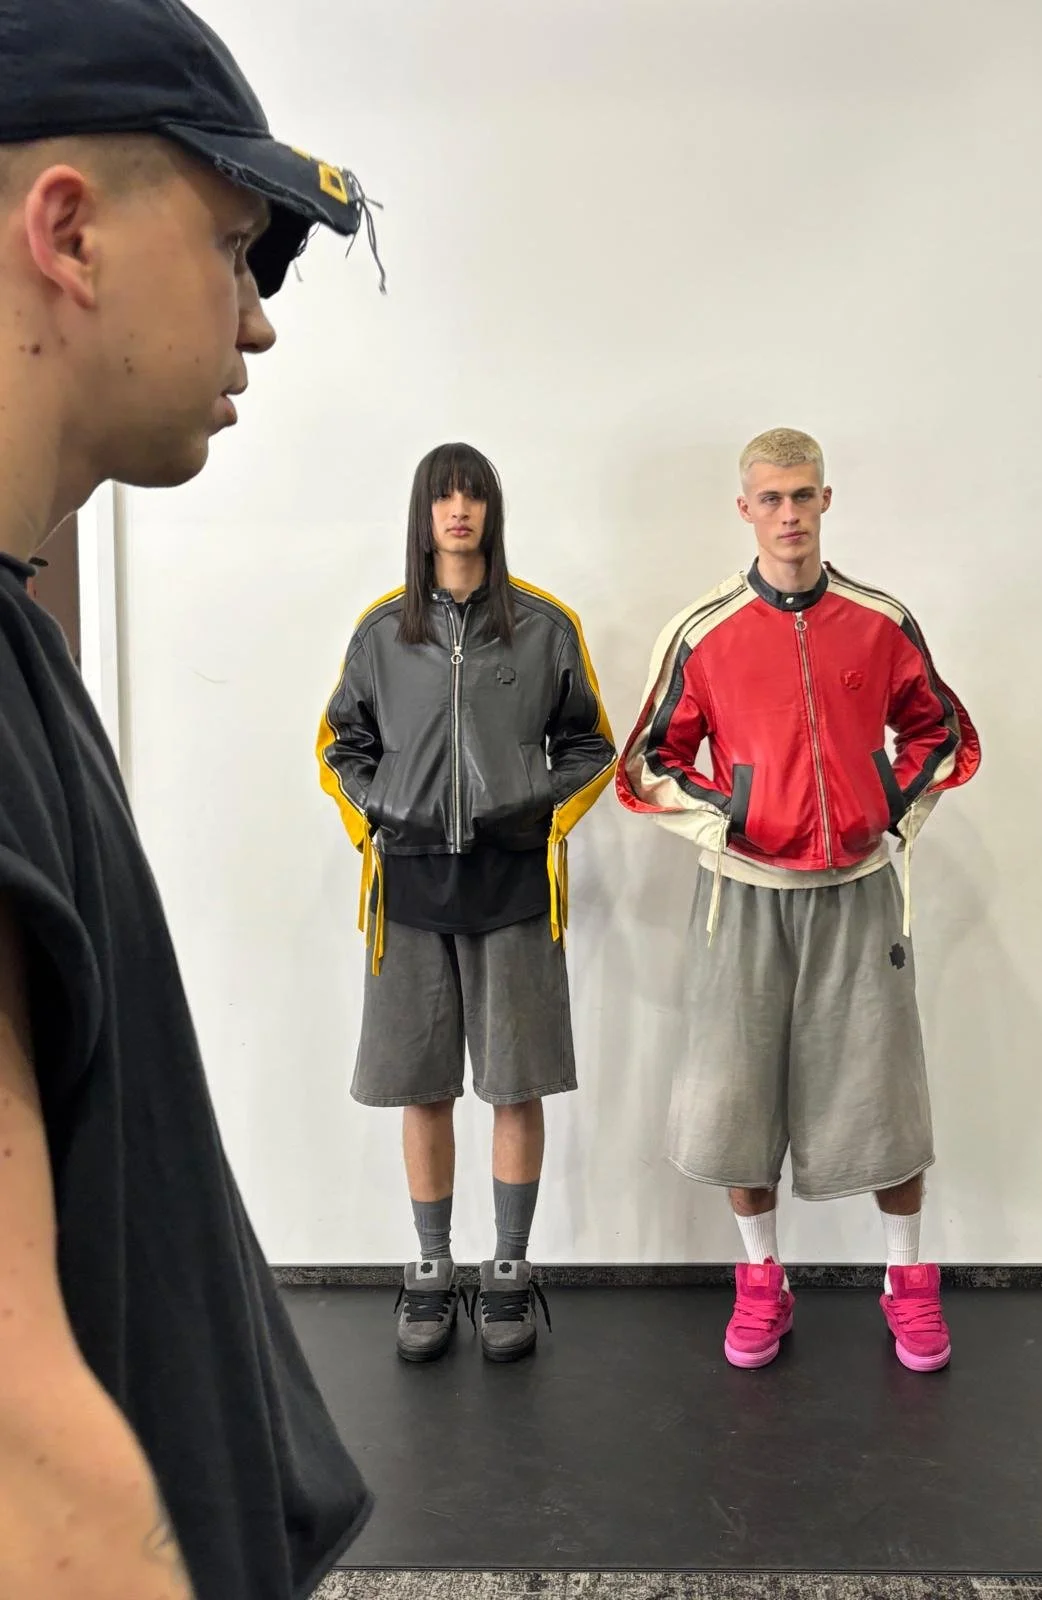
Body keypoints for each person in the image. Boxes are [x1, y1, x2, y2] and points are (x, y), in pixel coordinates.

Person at [0, 1, 382, 1595]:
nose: (258, 322)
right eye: (234, 248)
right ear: (69, 235)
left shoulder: (19, 649)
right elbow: (22, 1459)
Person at [617, 428, 980, 1374]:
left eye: (804, 495)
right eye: (772, 498)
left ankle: (908, 1283)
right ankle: (761, 1281)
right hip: (741, 899)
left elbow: (940, 733)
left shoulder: (879, 621)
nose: (789, 514)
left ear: (826, 500)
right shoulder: (703, 632)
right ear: (745, 509)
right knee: (738, 1099)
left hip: (859, 893)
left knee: (885, 1094)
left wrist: (883, 806)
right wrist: (735, 817)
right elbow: (648, 762)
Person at [318, 441, 615, 1364]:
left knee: (514, 1084)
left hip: (514, 885)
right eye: (443, 496)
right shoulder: (382, 633)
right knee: (424, 1087)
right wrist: (385, 811)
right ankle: (432, 1267)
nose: (458, 510)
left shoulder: (544, 627)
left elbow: (592, 747)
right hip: (408, 891)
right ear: (423, 514)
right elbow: (338, 746)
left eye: (473, 495)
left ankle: (509, 1271)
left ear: (492, 511)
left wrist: (531, 806)